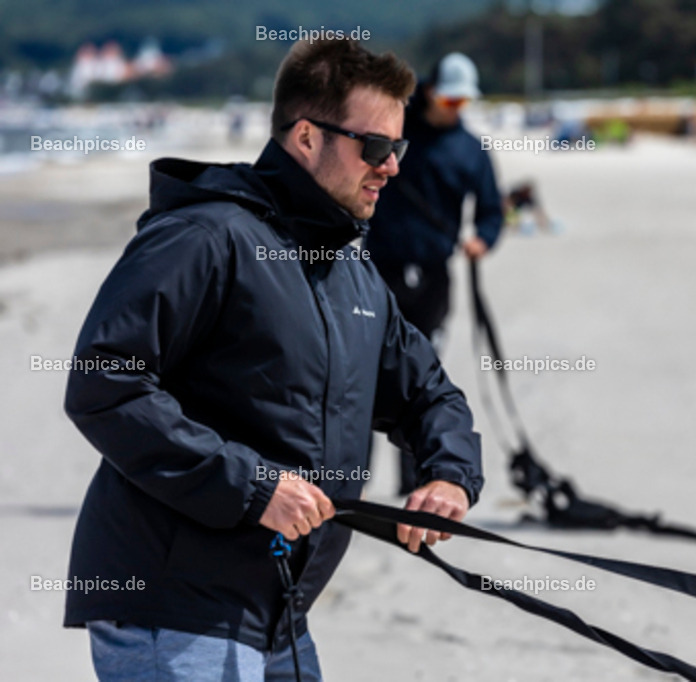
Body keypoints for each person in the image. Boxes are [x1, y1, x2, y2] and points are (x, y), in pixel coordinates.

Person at [63, 37, 484, 682]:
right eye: (375, 148)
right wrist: (253, 485)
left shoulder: (352, 271)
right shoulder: (205, 236)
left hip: (279, 614)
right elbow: (103, 383)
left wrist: (448, 476)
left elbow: (429, 394)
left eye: (399, 148)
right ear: (308, 138)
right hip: (173, 607)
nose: (392, 168)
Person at [365, 52, 503, 494]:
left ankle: (412, 481)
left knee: (419, 377)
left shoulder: (471, 150)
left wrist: (483, 238)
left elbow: (491, 210)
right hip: (377, 269)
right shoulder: (393, 130)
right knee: (362, 371)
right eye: (450, 100)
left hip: (433, 276)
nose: (456, 109)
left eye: (463, 103)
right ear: (429, 92)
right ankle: (352, 480)